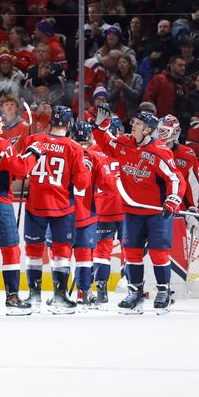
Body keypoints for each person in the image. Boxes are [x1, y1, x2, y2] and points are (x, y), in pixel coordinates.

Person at [93, 107, 182, 315]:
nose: (133, 125)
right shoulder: (124, 143)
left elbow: (174, 178)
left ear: (149, 130)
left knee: (158, 252)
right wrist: (100, 126)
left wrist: (173, 199)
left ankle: (163, 292)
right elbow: (106, 144)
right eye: (133, 122)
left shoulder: (159, 151)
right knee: (131, 251)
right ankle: (135, 293)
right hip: (132, 211)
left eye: (138, 124)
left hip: (156, 212)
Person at [21, 106, 90, 314]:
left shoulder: (33, 140)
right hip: (62, 206)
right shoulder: (74, 147)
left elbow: (22, 168)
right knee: (61, 250)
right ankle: (60, 296)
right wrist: (84, 167)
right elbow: (82, 183)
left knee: (33, 250)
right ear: (69, 125)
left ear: (52, 122)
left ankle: (34, 297)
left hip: (35, 203)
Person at [0, 106, 40, 314]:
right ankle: (12, 297)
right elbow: (21, 169)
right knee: (11, 249)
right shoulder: (0, 144)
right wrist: (33, 155)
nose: (2, 125)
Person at [70, 120, 119, 310]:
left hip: (66, 211)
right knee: (94, 253)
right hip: (96, 211)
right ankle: (95, 292)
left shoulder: (67, 151)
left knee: (63, 253)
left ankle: (64, 293)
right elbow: (110, 185)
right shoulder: (99, 153)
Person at [157, 115, 199, 216]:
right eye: (159, 130)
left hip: (177, 209)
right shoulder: (150, 150)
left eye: (164, 131)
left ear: (174, 132)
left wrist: (194, 207)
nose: (160, 134)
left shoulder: (187, 154)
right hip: (152, 207)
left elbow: (194, 184)